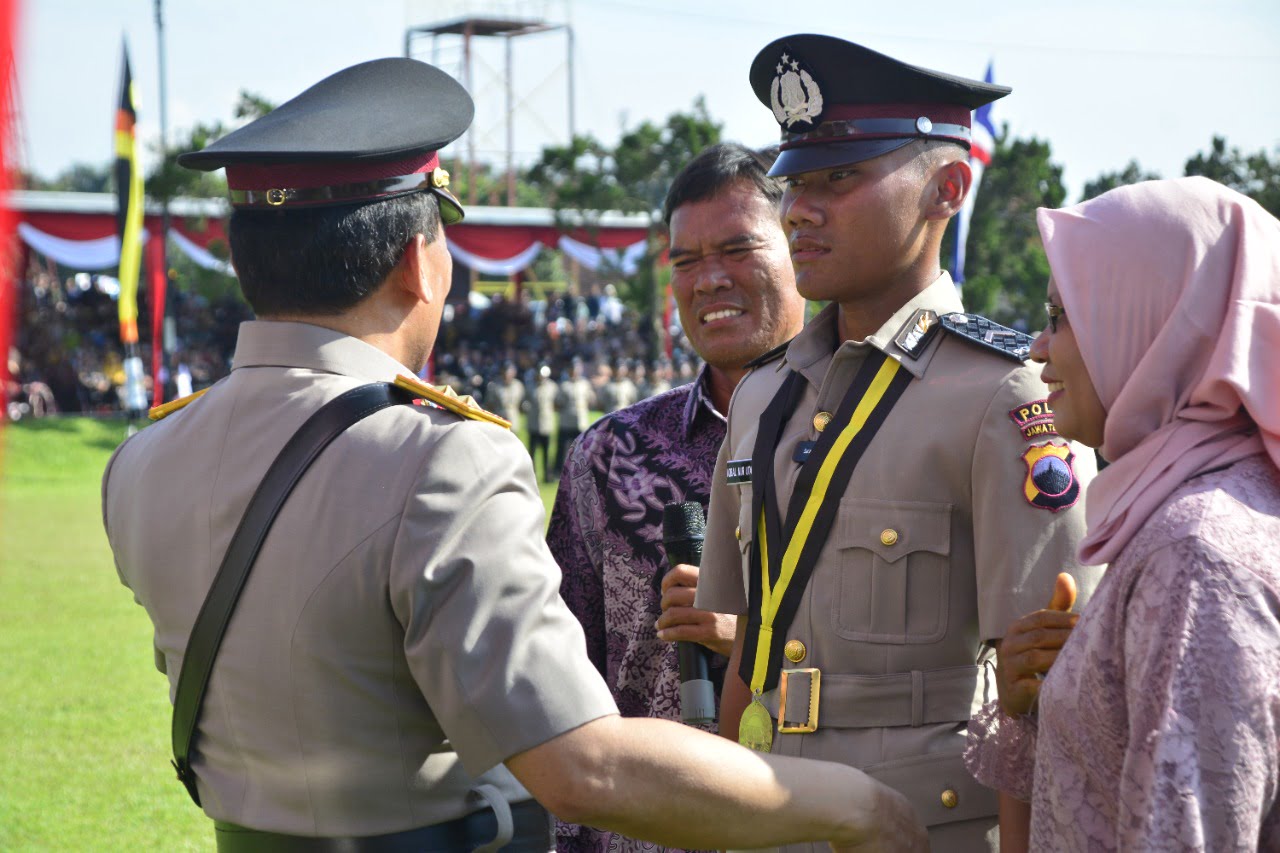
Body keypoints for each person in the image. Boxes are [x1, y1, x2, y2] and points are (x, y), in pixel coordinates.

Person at [100, 57, 927, 853]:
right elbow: (579, 765)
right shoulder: (441, 461)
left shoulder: (142, 461)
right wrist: (856, 806)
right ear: (418, 263)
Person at [692, 35, 1102, 852]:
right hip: (769, 813)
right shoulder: (768, 392)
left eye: (840, 178)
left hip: (921, 825)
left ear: (947, 188)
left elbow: (1040, 689)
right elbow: (753, 646)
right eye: (795, 181)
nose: (801, 209)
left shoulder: (1003, 393)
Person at [965, 177, 1280, 850]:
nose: (1037, 349)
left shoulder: (1194, 554)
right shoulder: (1194, 511)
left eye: (1062, 317)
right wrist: (1032, 705)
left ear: (1150, 320)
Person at [548, 142, 808, 853]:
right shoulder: (609, 455)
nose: (708, 280)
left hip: (807, 823)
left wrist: (747, 636)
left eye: (736, 249)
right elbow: (566, 680)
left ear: (801, 248)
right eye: (686, 261)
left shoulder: (865, 441)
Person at [554, 360, 594, 474]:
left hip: (580, 421)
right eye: (572, 369)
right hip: (566, 421)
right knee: (564, 449)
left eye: (576, 369)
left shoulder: (585, 384)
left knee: (581, 449)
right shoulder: (564, 385)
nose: (574, 372)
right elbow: (558, 403)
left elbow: (591, 400)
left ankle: (581, 470)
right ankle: (561, 471)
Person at [526, 364, 558, 482]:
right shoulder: (530, 387)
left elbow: (556, 403)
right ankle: (531, 476)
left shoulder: (552, 387)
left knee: (546, 453)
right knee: (532, 453)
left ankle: (547, 476)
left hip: (546, 424)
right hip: (533, 423)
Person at [488, 362, 525, 431]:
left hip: (513, 420)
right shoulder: (495, 385)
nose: (507, 375)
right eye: (505, 372)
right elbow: (490, 404)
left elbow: (522, 403)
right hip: (499, 419)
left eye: (509, 372)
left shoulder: (518, 386)